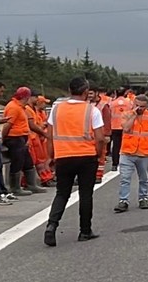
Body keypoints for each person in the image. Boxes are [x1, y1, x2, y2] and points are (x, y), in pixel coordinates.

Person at [43, 77, 104, 246]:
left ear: (69, 90)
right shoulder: (92, 110)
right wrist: (98, 155)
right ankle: (85, 231)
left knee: (62, 193)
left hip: (63, 156)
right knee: (86, 194)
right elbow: (100, 138)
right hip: (86, 157)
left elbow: (49, 136)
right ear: (86, 92)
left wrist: (51, 156)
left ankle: (51, 225)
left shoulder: (56, 109)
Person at [115, 94, 148, 213]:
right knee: (125, 178)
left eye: (142, 106)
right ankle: (123, 201)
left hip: (144, 152)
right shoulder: (127, 114)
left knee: (144, 178)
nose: (139, 108)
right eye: (137, 105)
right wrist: (133, 115)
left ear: (146, 106)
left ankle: (143, 198)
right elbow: (126, 128)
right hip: (127, 152)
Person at [3, 86, 46, 197]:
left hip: (21, 137)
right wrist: (4, 138)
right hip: (14, 138)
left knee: (27, 162)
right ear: (26, 97)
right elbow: (8, 125)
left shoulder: (20, 107)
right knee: (17, 162)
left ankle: (31, 184)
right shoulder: (14, 107)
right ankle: (15, 188)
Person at [109, 87, 132, 171]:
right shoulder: (129, 102)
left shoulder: (112, 103)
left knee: (116, 146)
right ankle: (126, 163)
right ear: (125, 93)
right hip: (126, 127)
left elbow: (109, 114)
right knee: (126, 146)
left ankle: (114, 164)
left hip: (115, 127)